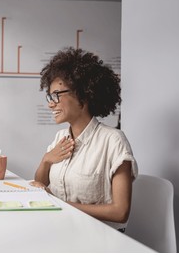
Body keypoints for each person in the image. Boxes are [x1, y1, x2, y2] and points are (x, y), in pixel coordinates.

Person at [30, 47, 138, 231]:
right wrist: (47, 159)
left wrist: (58, 203)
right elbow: (40, 182)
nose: (50, 103)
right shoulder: (60, 137)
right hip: (64, 229)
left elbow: (120, 212)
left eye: (57, 94)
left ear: (83, 94)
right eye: (50, 96)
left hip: (99, 238)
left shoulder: (113, 141)